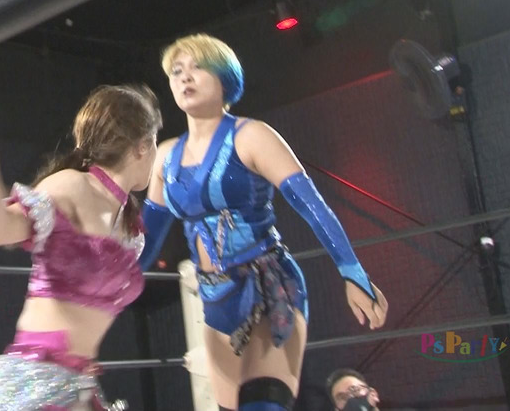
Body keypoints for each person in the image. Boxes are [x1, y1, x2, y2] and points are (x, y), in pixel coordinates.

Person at [138, 34, 389, 411]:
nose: (185, 77)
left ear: (224, 78)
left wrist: (351, 271)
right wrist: (102, 293)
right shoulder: (165, 156)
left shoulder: (251, 136)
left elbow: (312, 205)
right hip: (215, 300)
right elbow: (146, 239)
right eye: (177, 70)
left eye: (198, 67)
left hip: (268, 291)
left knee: (262, 405)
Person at [0, 84, 162, 411]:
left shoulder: (129, 224)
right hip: (38, 380)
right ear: (142, 147)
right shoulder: (72, 186)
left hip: (77, 386)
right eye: (155, 143)